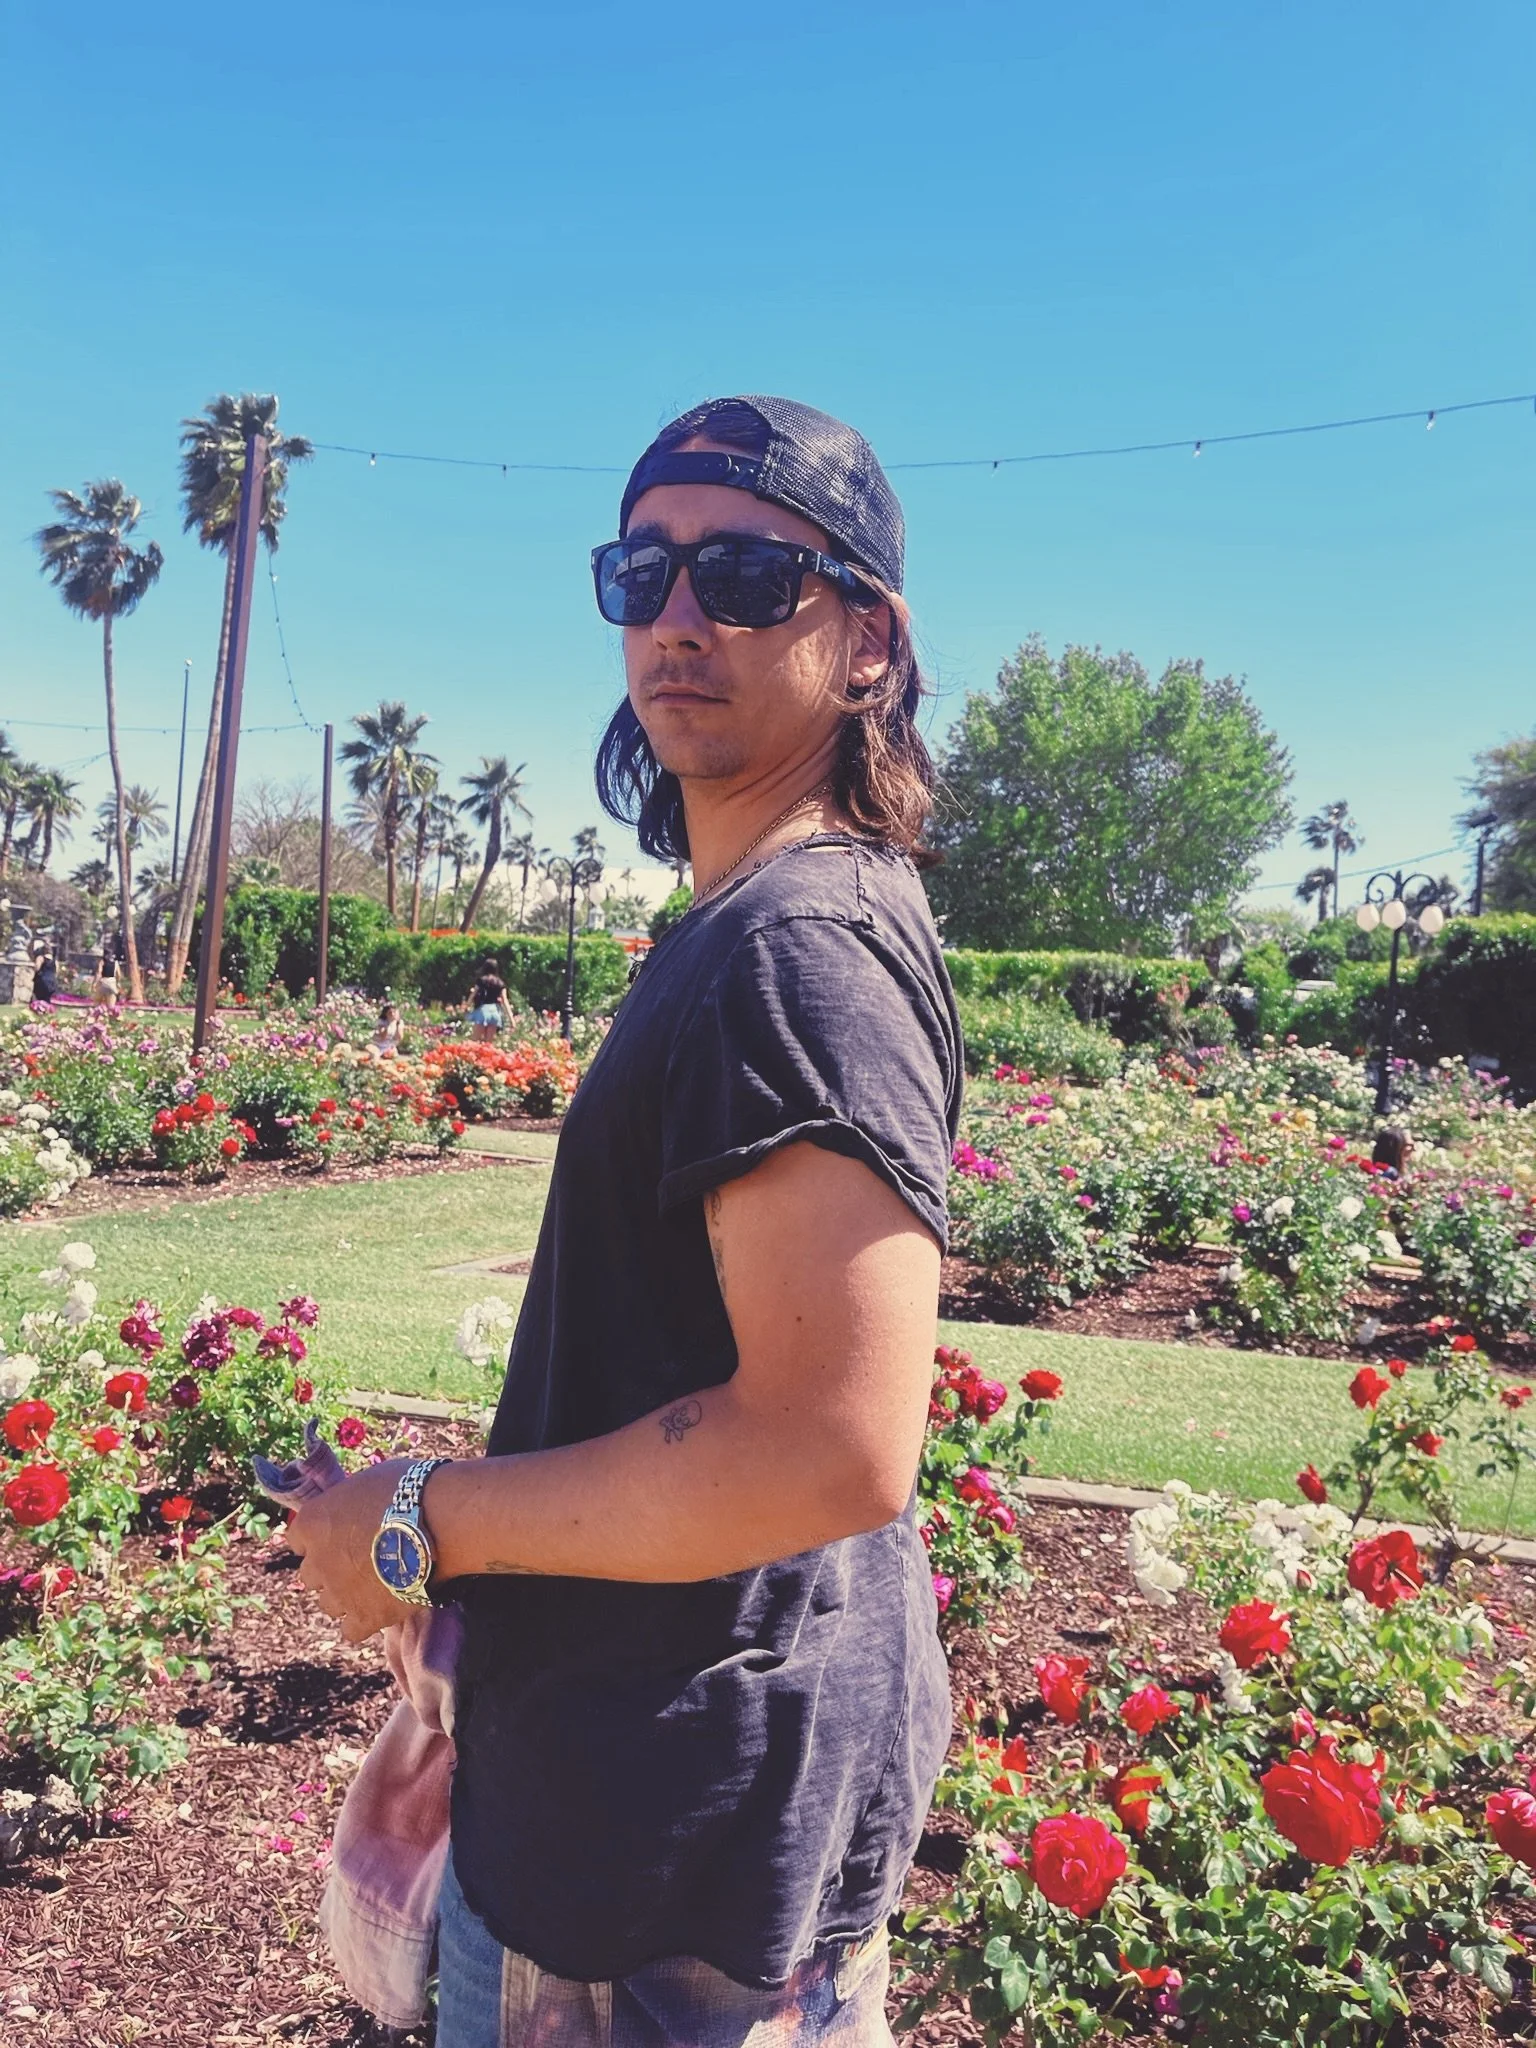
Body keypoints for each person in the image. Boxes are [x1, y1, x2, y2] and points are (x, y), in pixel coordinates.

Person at [288, 396, 959, 2048]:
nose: (678, 616)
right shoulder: (749, 921)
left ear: (868, 640)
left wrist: (419, 1521)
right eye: (640, 572)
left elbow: (827, 1447)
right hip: (652, 1805)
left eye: (748, 575)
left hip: (665, 1879)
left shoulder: (794, 949)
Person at [467, 959, 507, 1043]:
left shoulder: (481, 980)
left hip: (483, 1011)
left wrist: (467, 1005)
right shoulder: (500, 983)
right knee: (488, 1044)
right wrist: (511, 1019)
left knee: (474, 1041)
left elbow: (473, 994)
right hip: (495, 1012)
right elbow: (505, 1001)